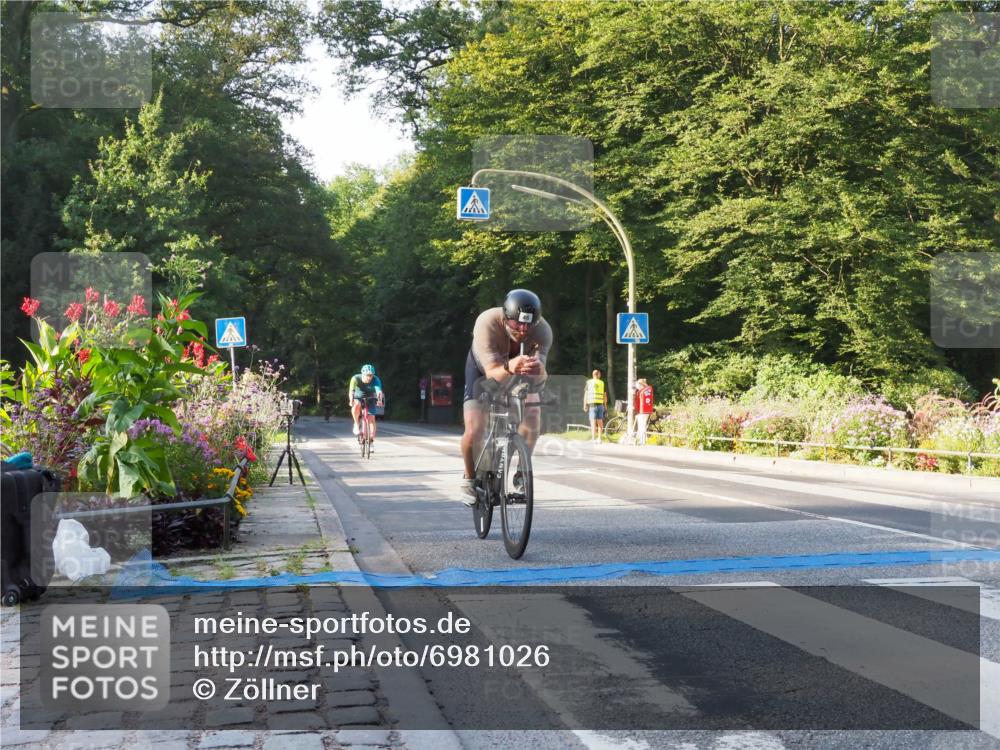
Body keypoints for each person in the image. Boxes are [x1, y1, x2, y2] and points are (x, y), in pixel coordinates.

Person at [459, 289, 552, 506]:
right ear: (505, 317)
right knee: (474, 429)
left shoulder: (543, 331)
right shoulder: (487, 323)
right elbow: (492, 373)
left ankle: (521, 474)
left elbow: (540, 380)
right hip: (484, 370)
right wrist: (510, 365)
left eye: (529, 325)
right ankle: (469, 478)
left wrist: (540, 370)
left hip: (518, 369)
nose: (523, 330)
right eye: (517, 324)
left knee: (533, 412)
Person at [348, 364, 384, 442]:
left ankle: (371, 440)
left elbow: (379, 392)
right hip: (358, 396)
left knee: (371, 419)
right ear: (362, 374)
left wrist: (380, 400)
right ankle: (356, 424)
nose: (369, 377)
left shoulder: (376, 379)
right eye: (367, 375)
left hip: (370, 397)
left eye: (371, 375)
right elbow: (351, 391)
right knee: (356, 405)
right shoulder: (355, 378)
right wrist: (351, 400)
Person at [583, 369, 607, 444]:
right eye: (600, 374)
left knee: (593, 422)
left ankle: (593, 439)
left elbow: (586, 394)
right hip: (600, 404)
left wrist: (585, 405)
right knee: (600, 422)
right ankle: (599, 439)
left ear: (593, 375)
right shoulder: (602, 383)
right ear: (598, 374)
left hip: (592, 405)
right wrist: (605, 406)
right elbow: (605, 395)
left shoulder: (589, 382)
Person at [634, 378, 654, 445]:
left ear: (641, 384)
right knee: (642, 425)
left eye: (638, 384)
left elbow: (638, 401)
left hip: (643, 410)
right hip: (646, 410)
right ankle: (642, 439)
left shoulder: (642, 391)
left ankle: (642, 440)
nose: (637, 386)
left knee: (641, 425)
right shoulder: (648, 389)